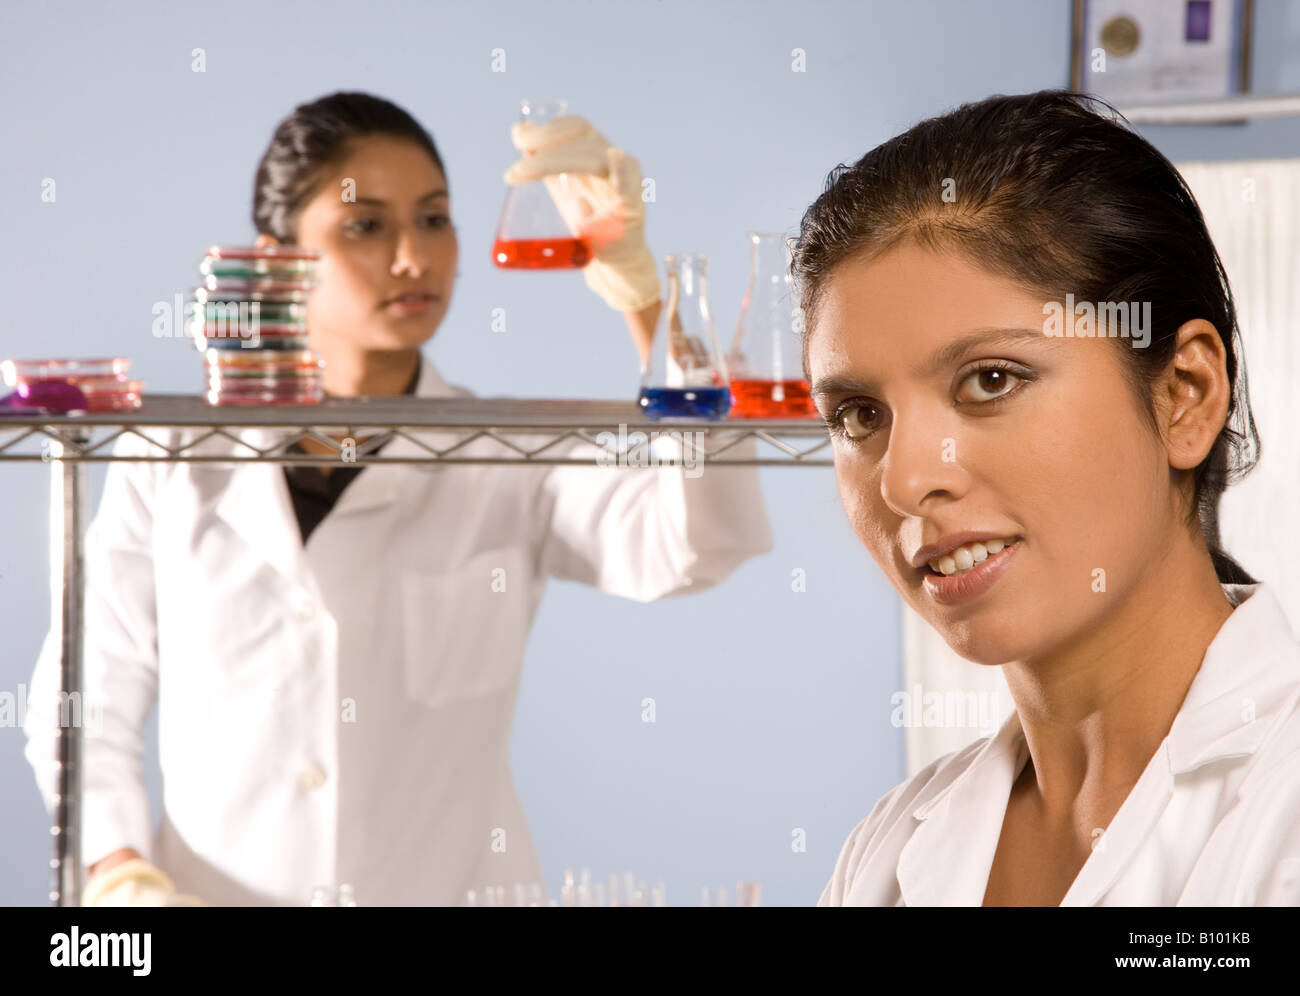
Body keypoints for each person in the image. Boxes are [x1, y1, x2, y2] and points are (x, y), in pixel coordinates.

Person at [23, 92, 773, 906]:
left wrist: (644, 300)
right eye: (366, 225)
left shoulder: (502, 456)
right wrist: (119, 871)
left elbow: (699, 543)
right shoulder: (170, 457)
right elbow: (83, 702)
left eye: (435, 219)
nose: (414, 258)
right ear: (277, 260)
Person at [797, 90, 1300, 906]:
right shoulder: (887, 852)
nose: (904, 480)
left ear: (1185, 396)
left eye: (991, 380)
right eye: (860, 416)